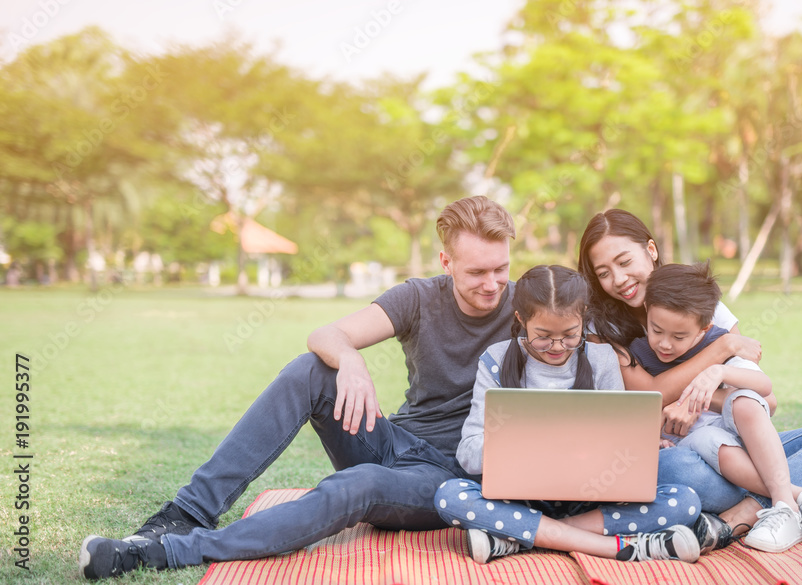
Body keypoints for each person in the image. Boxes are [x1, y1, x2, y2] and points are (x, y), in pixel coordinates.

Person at [78, 196, 521, 579]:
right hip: (393, 440)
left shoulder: (528, 306)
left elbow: (583, 330)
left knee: (360, 483)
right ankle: (185, 514)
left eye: (501, 269)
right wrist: (349, 359)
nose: (492, 284)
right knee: (311, 369)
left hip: (447, 478)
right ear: (446, 263)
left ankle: (165, 552)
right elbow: (325, 334)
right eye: (477, 271)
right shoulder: (419, 297)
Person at [577, 209, 802, 553]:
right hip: (683, 454)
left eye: (624, 261)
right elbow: (650, 395)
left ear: (650, 249)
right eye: (603, 273)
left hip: (735, 447)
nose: (618, 279)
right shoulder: (600, 329)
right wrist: (721, 350)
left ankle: (745, 512)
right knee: (674, 469)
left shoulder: (702, 302)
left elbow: (765, 403)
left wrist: (702, 390)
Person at [435, 265, 702, 564]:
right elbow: (468, 453)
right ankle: (618, 548)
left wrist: (639, 447)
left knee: (685, 501)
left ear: (584, 316)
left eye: (570, 335)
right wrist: (525, 445)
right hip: (518, 498)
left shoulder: (601, 359)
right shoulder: (495, 361)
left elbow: (618, 439)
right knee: (449, 495)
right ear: (521, 319)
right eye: (544, 336)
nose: (558, 347)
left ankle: (522, 538)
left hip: (590, 502)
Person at [634, 263, 802, 553]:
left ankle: (778, 505)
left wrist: (718, 373)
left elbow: (764, 389)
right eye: (657, 330)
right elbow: (638, 409)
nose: (665, 344)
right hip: (696, 454)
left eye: (679, 337)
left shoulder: (717, 342)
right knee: (683, 459)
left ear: (703, 328)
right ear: (646, 310)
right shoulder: (638, 354)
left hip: (746, 439)